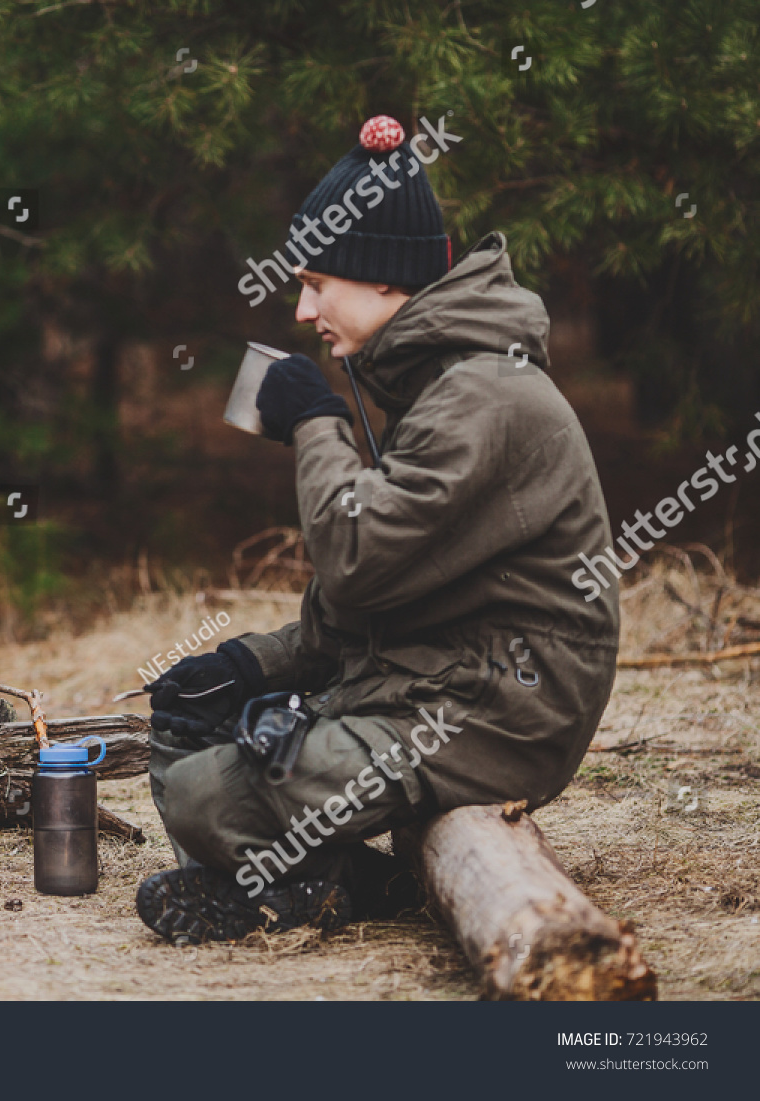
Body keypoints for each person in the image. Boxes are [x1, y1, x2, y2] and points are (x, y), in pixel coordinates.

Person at [135, 116, 620, 943]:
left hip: (498, 709)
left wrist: (316, 422)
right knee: (191, 731)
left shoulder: (481, 398)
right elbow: (380, 593)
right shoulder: (440, 383)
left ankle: (351, 881)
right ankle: (321, 878)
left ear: (387, 282)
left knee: (202, 796)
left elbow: (356, 559)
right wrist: (249, 662)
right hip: (434, 679)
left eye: (320, 282)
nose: (302, 308)